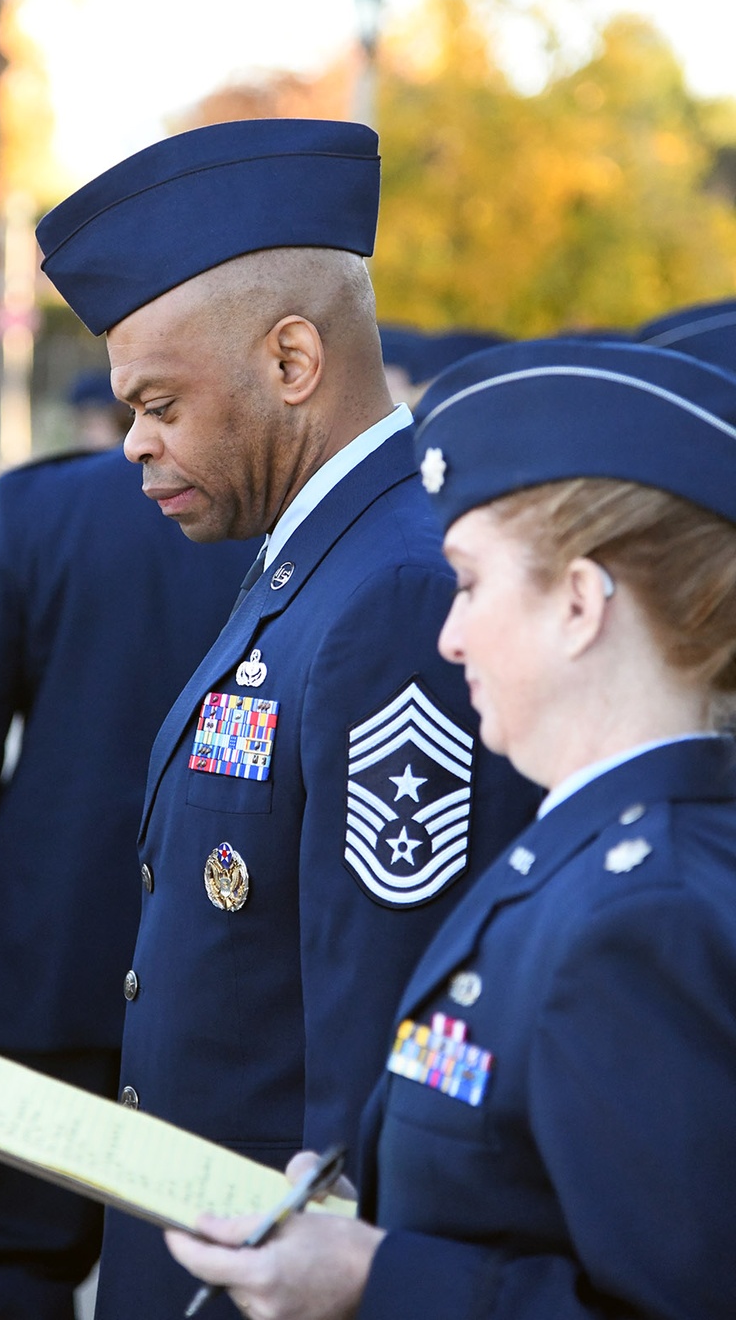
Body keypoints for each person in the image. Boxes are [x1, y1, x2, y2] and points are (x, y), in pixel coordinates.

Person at [35, 118, 540, 1318]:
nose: (134, 443)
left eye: (158, 402)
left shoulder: (396, 590)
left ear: (293, 360)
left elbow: (379, 1049)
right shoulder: (308, 563)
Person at [165, 336, 736, 1320]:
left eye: (469, 583)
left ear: (575, 603)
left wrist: (365, 1280)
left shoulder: (641, 921)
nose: (448, 632)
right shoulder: (600, 846)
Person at [0, 445, 258, 1320]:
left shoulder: (40, 507)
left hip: (44, 956)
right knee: (204, 1271)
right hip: (226, 969)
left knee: (21, 1252)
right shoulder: (284, 508)